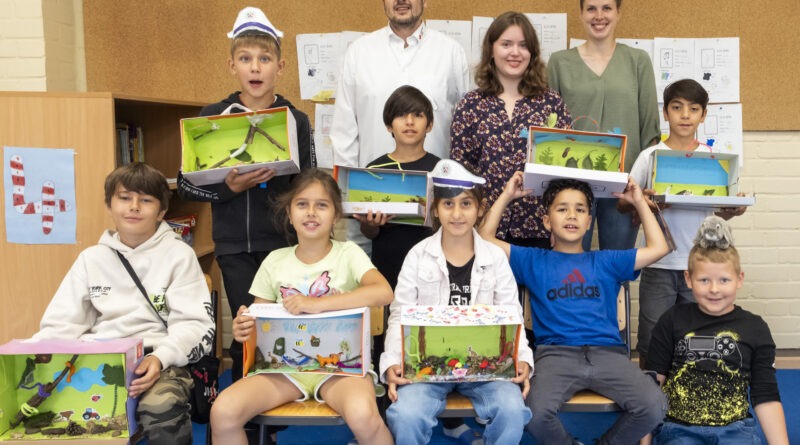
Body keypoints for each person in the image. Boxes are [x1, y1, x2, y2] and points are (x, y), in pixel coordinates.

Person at [177, 6, 315, 382]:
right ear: (232, 65)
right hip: (234, 247)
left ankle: (280, 405)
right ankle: (247, 421)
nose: (255, 67)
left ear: (280, 67)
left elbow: (310, 184)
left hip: (283, 246)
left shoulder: (295, 119)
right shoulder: (212, 117)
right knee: (247, 327)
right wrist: (228, 189)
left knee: (282, 329)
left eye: (265, 59)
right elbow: (187, 184)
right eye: (246, 59)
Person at [480, 172, 669, 444]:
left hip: (609, 355)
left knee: (655, 406)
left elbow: (659, 247)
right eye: (562, 209)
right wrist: (507, 195)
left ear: (589, 221)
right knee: (532, 411)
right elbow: (485, 239)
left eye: (580, 210)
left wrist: (639, 202)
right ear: (547, 221)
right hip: (555, 355)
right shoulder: (532, 260)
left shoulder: (607, 261)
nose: (571, 215)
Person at [34, 162, 214, 445]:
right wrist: (34, 357)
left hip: (159, 359)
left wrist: (160, 358)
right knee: (44, 407)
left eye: (146, 200)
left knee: (160, 406)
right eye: (125, 198)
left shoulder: (179, 255)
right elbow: (63, 322)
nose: (134, 207)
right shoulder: (91, 258)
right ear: (109, 204)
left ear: (162, 211)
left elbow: (194, 324)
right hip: (99, 359)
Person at [210, 168, 394, 445]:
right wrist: (243, 327)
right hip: (283, 371)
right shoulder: (274, 260)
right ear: (289, 214)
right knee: (223, 411)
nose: (311, 212)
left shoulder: (348, 254)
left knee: (364, 416)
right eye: (302, 204)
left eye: (321, 205)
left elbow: (383, 292)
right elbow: (257, 319)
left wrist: (316, 304)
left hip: (342, 370)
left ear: (335, 215)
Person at [381, 159, 533, 445]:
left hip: (485, 367)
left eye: (466, 204)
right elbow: (399, 315)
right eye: (448, 205)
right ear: (435, 210)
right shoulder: (417, 255)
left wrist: (522, 359)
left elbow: (511, 314)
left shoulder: (495, 257)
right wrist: (392, 362)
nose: (457, 214)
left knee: (513, 410)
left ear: (479, 209)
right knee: (405, 415)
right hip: (425, 366)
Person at [622, 78, 747, 367]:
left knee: (698, 333)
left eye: (693, 109)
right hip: (658, 262)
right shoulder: (649, 156)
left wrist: (734, 209)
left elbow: (721, 211)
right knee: (653, 334)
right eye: (677, 108)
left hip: (700, 263)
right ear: (665, 113)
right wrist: (641, 199)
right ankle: (651, 392)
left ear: (703, 115)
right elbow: (622, 202)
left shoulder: (714, 159)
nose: (685, 115)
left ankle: (692, 388)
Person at [645, 216, 789, 444]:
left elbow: (766, 395)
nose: (714, 289)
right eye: (703, 280)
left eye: (724, 280)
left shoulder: (755, 328)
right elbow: (652, 386)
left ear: (739, 279)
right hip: (680, 431)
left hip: (735, 430)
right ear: (688, 279)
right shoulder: (672, 320)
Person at [451, 11, 571, 249]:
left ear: (532, 53)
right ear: (492, 50)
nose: (515, 52)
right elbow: (461, 172)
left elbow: (565, 171)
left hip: (542, 229)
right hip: (486, 228)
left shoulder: (551, 104)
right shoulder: (470, 105)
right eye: (506, 44)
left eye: (523, 46)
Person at [547, 0, 661, 251]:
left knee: (616, 268)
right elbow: (549, 127)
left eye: (607, 8)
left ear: (618, 13)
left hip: (624, 186)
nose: (599, 16)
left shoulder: (638, 61)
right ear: (581, 13)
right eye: (591, 8)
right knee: (569, 264)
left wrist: (641, 192)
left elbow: (650, 131)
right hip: (570, 184)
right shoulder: (559, 62)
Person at [331, 0, 468, 168]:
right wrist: (346, 187)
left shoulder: (451, 52)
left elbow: (466, 130)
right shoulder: (358, 52)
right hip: (371, 186)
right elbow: (343, 131)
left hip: (436, 186)